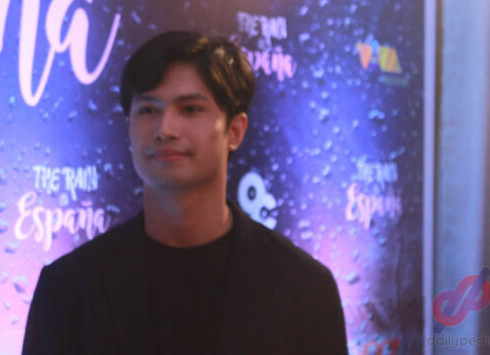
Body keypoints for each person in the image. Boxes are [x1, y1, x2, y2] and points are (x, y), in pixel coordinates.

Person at [22, 31, 348, 354]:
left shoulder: (304, 288)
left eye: (190, 109)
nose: (165, 129)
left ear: (235, 131)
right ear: (129, 126)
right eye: (148, 110)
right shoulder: (68, 288)